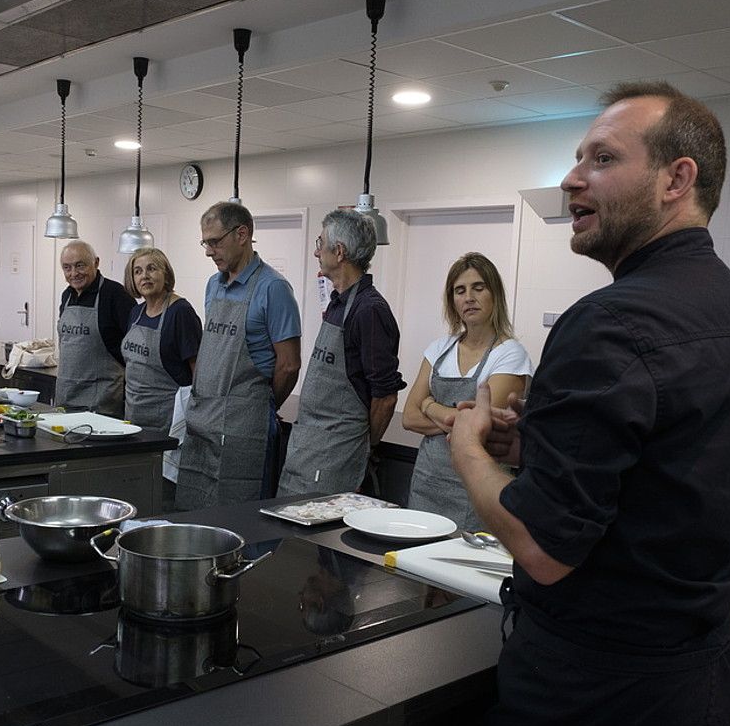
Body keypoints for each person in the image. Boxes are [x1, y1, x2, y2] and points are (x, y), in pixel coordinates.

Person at [448, 80, 730, 726]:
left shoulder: (610, 322)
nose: (572, 179)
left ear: (677, 179)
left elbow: (544, 549)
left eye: (601, 159)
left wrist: (471, 450)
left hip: (598, 707)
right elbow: (672, 476)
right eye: (577, 159)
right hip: (695, 681)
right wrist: (536, 449)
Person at [176, 201, 302, 510]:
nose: (208, 250)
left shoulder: (273, 288)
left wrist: (260, 404)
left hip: (245, 429)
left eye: (215, 241)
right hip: (203, 424)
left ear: (242, 234)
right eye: (205, 242)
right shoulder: (213, 286)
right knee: (196, 514)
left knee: (239, 517)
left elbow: (288, 364)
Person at [278, 209, 404, 497]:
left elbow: (384, 397)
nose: (315, 252)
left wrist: (362, 448)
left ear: (339, 252)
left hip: (338, 455)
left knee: (325, 537)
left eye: (320, 244)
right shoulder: (338, 302)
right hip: (308, 446)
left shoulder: (369, 310)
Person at [401, 252, 530, 531]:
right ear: (453, 302)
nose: (469, 297)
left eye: (478, 288)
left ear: (494, 294)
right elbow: (408, 417)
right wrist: (455, 418)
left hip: (477, 487)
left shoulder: (510, 354)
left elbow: (479, 427)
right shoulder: (439, 348)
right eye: (460, 291)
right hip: (427, 482)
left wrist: (429, 405)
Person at [121, 247, 202, 499]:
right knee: (135, 492)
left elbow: (198, 372)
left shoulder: (181, 312)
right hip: (134, 421)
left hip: (167, 425)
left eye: (152, 268)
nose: (144, 276)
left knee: (160, 496)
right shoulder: (136, 313)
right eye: (138, 271)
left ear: (165, 273)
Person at [55, 239, 136, 415]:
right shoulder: (66, 296)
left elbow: (134, 350)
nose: (74, 273)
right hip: (66, 397)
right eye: (67, 268)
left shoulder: (116, 295)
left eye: (80, 266)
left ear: (96, 263)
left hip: (103, 402)